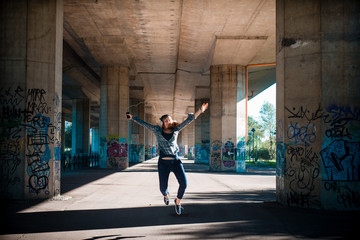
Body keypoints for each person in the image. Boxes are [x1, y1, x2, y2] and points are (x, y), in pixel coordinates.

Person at [126, 103, 208, 215]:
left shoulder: (176, 129)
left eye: (169, 120)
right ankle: (166, 195)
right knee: (162, 188)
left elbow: (189, 120)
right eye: (166, 121)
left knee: (184, 184)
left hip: (175, 161)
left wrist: (200, 110)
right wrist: (133, 118)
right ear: (162, 123)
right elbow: (145, 124)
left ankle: (178, 202)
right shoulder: (156, 130)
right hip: (163, 163)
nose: (168, 122)